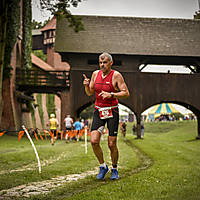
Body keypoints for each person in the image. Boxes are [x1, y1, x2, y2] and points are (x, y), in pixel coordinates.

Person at [83, 52, 130, 180]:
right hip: (99, 110)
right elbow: (89, 93)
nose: (102, 65)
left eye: (105, 62)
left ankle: (114, 168)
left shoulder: (116, 76)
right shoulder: (95, 74)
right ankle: (103, 166)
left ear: (111, 63)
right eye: (100, 63)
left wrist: (112, 95)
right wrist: (86, 85)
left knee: (111, 144)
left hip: (112, 111)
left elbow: (126, 93)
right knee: (93, 141)